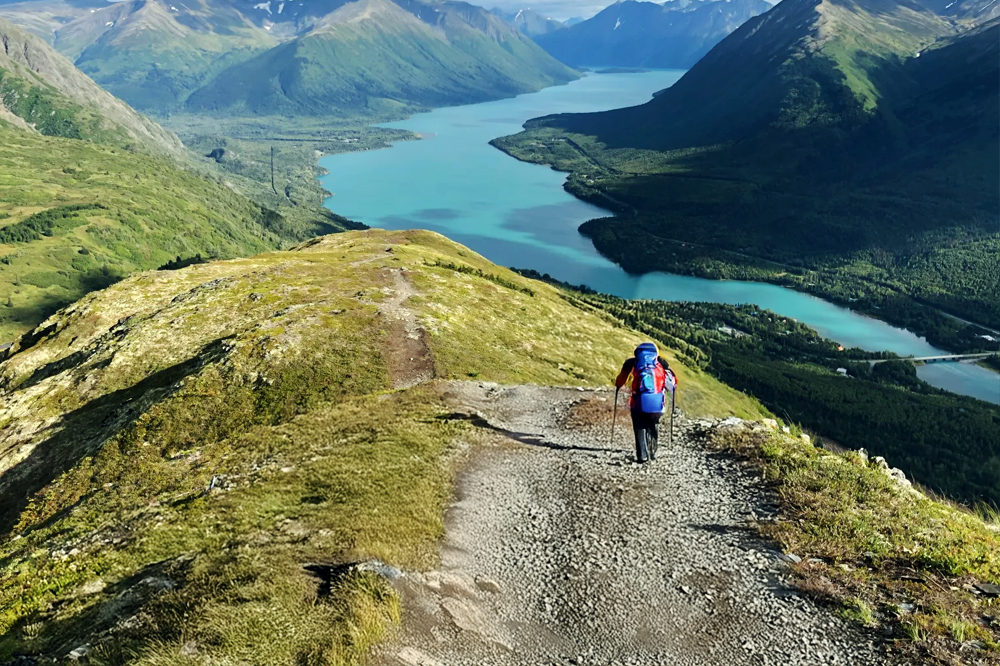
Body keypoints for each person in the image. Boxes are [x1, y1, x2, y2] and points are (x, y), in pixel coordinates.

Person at [614, 342, 677, 463]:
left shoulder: (632, 362)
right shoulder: (661, 363)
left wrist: (618, 386)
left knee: (639, 424)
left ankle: (642, 455)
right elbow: (671, 383)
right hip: (657, 402)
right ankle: (652, 452)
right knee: (653, 423)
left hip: (639, 401)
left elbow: (620, 380)